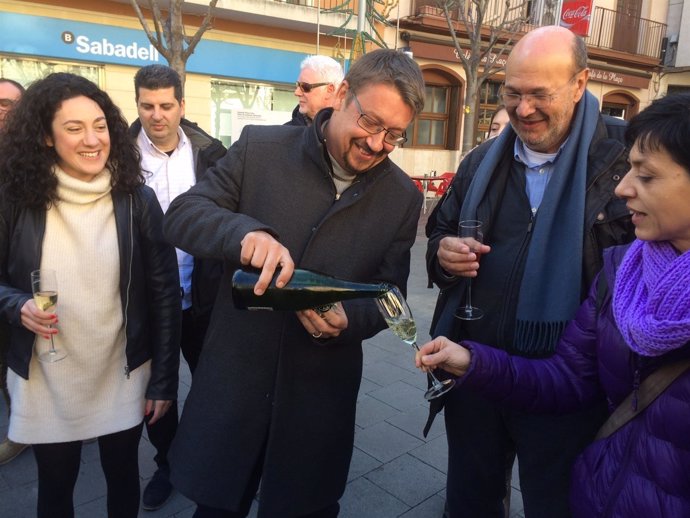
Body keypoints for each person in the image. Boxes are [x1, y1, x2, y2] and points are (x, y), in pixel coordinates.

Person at [163, 48, 425, 517]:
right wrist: (243, 234)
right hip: (235, 378)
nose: (377, 143)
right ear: (342, 94)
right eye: (370, 122)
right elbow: (183, 215)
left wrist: (352, 319)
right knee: (218, 504)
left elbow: (392, 293)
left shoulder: (402, 197)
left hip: (318, 395)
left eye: (394, 134)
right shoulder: (260, 148)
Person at [417, 92, 690, 518]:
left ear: (578, 82)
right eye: (513, 92)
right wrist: (471, 359)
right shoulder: (623, 272)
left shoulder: (614, 145)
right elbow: (567, 375)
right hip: (582, 450)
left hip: (574, 428)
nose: (623, 188)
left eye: (647, 176)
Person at [425, 26, 635, 518]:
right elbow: (441, 229)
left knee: (556, 505)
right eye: (512, 93)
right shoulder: (480, 160)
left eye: (540, 94)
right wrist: (442, 254)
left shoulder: (627, 158)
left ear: (580, 83)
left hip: (571, 388)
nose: (522, 110)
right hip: (473, 367)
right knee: (471, 502)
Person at [0, 72, 180, 518]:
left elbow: (164, 293)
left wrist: (163, 381)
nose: (92, 139)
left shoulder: (136, 199)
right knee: (55, 486)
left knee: (122, 478)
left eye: (99, 125)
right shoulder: (15, 198)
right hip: (48, 375)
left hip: (119, 369)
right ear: (45, 136)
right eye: (74, 128)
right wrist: (15, 304)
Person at [129, 63, 227, 511]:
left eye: (166, 105)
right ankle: (167, 464)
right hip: (147, 305)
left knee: (214, 388)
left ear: (181, 105)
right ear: (137, 105)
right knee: (156, 393)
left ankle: (214, 464)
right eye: (147, 105)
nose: (157, 115)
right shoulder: (120, 158)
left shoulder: (211, 153)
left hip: (204, 300)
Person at [0, 76, 28, 467]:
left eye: (9, 104)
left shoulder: (27, 161)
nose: (2, 111)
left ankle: (19, 431)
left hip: (17, 278)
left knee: (13, 363)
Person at [286, 54, 344, 126]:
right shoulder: (283, 135)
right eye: (298, 85)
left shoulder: (353, 133)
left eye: (305, 86)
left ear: (330, 90)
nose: (296, 92)